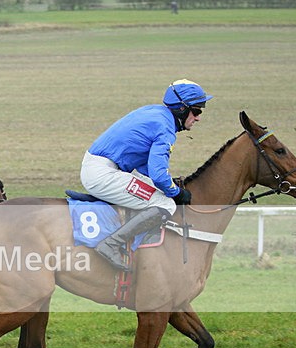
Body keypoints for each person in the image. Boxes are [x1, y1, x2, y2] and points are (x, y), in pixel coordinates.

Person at [80, 79, 212, 271]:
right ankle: (111, 244)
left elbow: (145, 166)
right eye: (197, 111)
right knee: (165, 204)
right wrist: (176, 192)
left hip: (101, 167)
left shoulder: (156, 113)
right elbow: (158, 174)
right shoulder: (165, 129)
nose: (198, 118)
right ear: (182, 109)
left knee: (160, 192)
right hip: (103, 173)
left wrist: (167, 185)